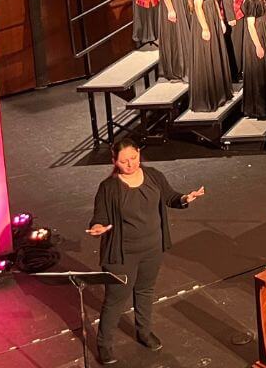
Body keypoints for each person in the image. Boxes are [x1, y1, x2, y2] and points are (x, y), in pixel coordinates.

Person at [87, 137, 205, 365]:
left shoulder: (153, 176)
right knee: (115, 300)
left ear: (139, 153)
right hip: (122, 254)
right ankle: (104, 344)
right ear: (114, 161)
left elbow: (170, 197)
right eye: (124, 161)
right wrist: (97, 227)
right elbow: (99, 216)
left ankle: (144, 332)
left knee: (144, 291)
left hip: (152, 248)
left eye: (133, 158)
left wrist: (185, 198)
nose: (130, 164)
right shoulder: (109, 187)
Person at [187, 0, 233, 112]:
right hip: (203, 20)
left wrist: (220, 20)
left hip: (213, 16)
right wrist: (205, 28)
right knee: (207, 54)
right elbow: (198, 7)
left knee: (217, 51)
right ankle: (207, 97)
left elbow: (214, 1)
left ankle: (220, 92)